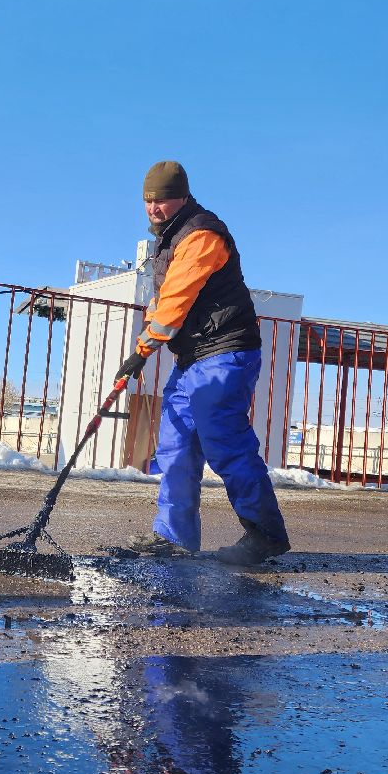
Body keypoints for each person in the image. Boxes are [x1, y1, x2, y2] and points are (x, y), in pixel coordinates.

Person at [115, 161, 292, 566]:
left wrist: (142, 350)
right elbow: (161, 304)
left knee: (225, 442)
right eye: (147, 200)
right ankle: (174, 536)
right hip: (192, 357)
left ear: (181, 196)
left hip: (225, 352)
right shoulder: (170, 240)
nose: (153, 208)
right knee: (176, 442)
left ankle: (265, 534)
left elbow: (177, 298)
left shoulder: (202, 233)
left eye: (161, 199)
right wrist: (146, 340)